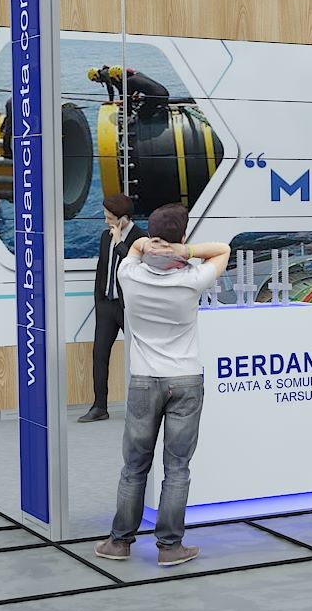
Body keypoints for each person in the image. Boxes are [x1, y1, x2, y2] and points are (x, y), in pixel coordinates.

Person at [93, 204, 229, 567]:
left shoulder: (128, 274)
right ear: (181, 238)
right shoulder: (193, 278)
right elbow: (223, 250)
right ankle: (170, 548)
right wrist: (184, 250)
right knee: (177, 468)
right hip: (185, 379)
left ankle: (119, 542)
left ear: (151, 238)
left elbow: (134, 248)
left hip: (143, 380)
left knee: (134, 466)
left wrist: (149, 243)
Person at [78, 194, 145, 423]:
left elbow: (135, 268)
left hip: (128, 306)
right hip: (107, 303)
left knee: (139, 355)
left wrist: (119, 243)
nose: (106, 221)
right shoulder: (105, 236)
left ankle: (142, 406)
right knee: (99, 354)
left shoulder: (140, 238)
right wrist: (99, 299)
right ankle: (99, 406)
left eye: (110, 218)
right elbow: (102, 268)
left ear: (124, 219)